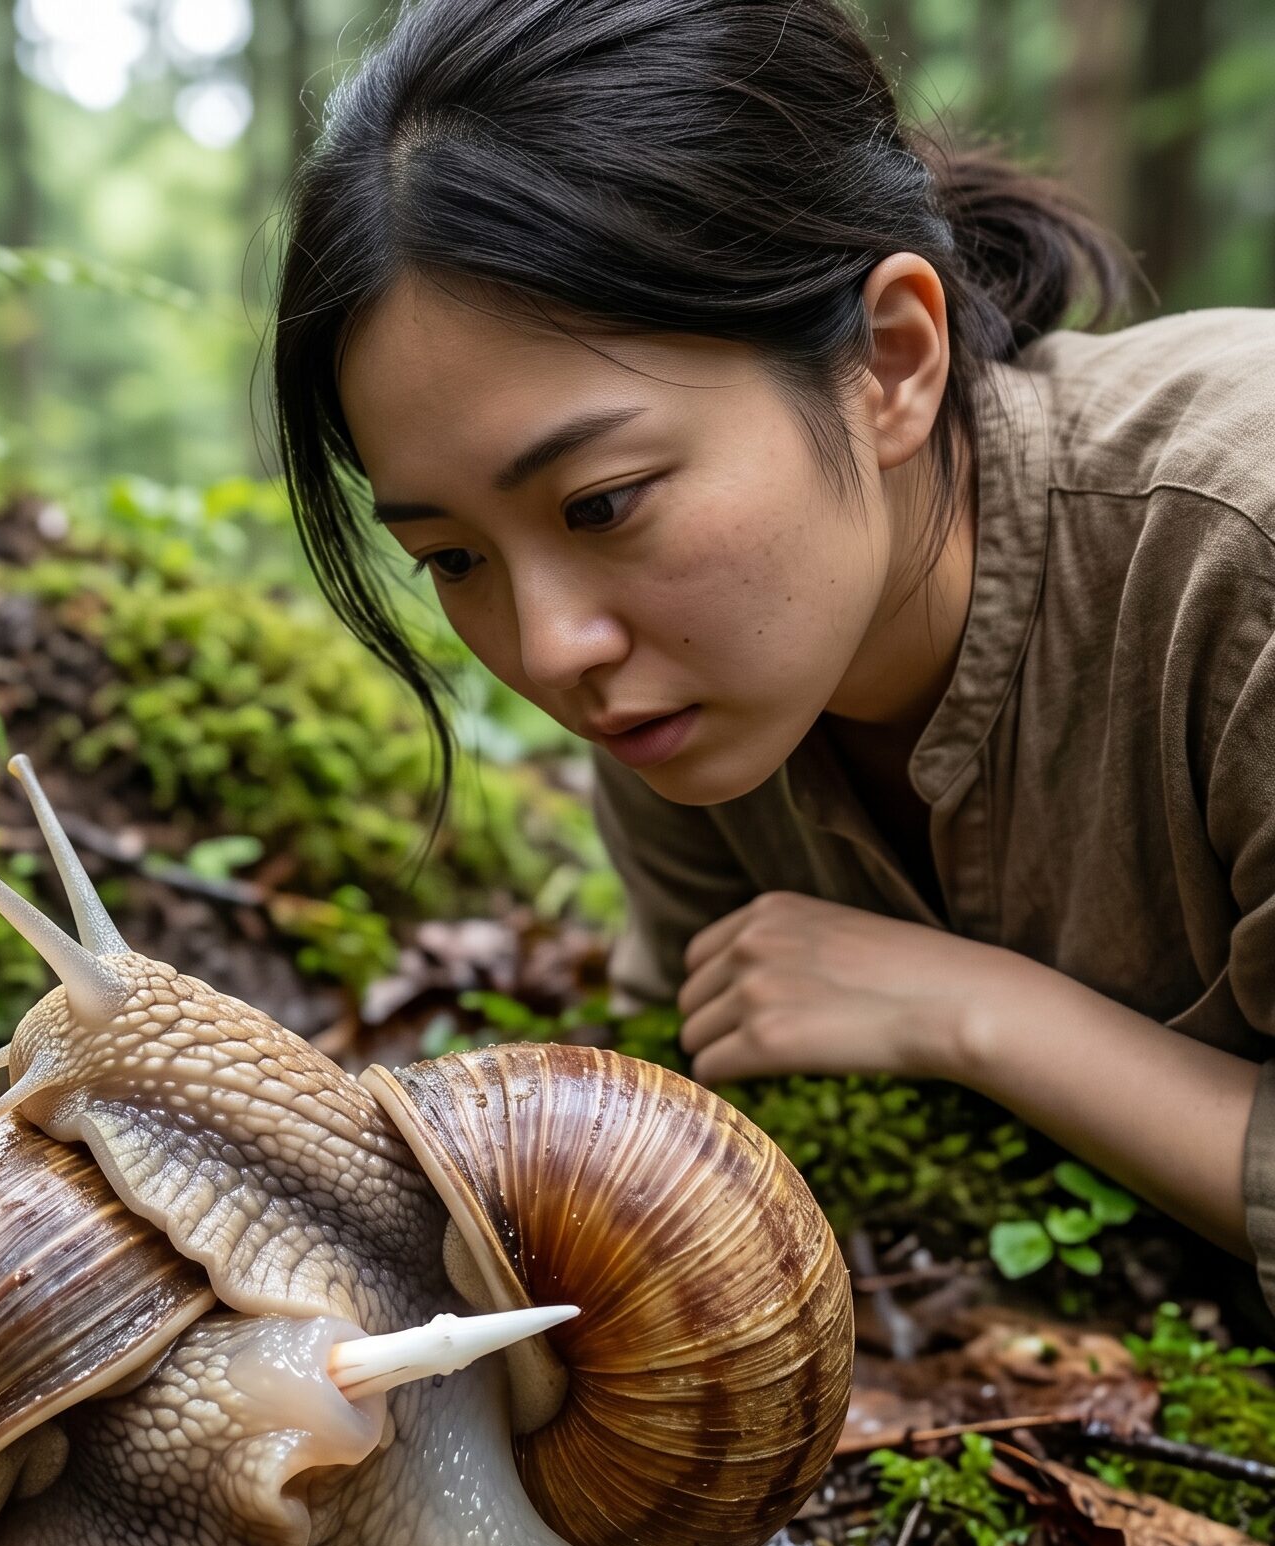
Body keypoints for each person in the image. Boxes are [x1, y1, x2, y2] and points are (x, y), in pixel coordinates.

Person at [268, 0, 1275, 1313]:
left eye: (604, 502)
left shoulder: (1234, 545)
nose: (550, 646)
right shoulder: (691, 704)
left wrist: (980, 1016)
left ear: (892, 362)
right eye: (455, 558)